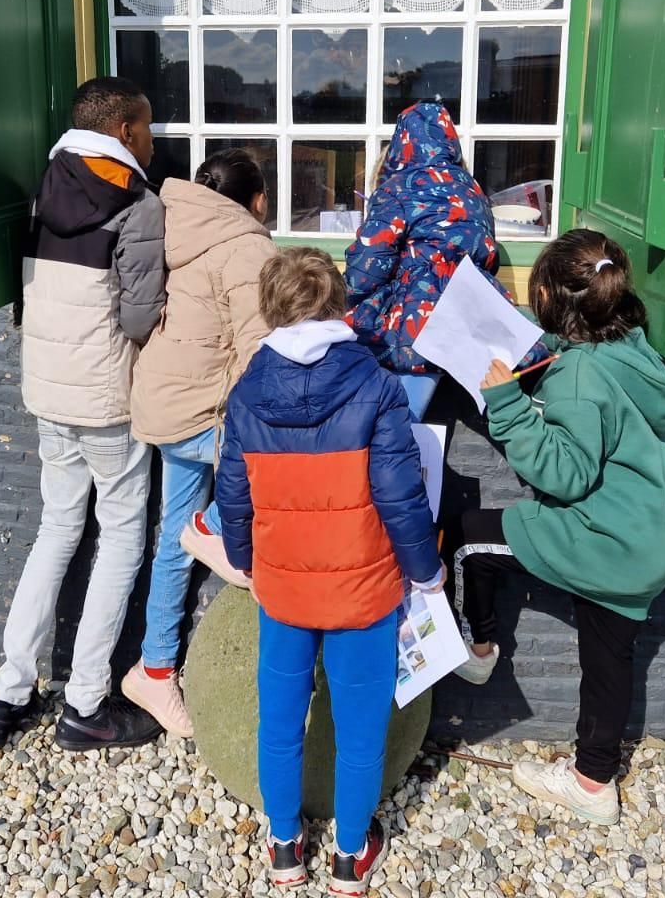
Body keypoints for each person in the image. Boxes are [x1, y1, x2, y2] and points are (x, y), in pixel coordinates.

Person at [213, 248, 443, 895]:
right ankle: (348, 855)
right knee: (360, 731)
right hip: (362, 593)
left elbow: (234, 493)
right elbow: (402, 497)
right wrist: (426, 572)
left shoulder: (249, 391)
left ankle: (285, 844)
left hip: (284, 588)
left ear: (271, 308)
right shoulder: (375, 384)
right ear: (341, 303)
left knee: (281, 722)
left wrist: (245, 560)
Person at [448, 229, 665, 825]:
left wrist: (506, 403)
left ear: (553, 300)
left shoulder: (579, 376)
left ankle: (477, 652)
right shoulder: (629, 348)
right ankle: (592, 780)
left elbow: (566, 473)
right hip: (651, 535)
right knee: (608, 656)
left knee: (466, 538)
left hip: (605, 537)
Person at [0, 77, 167, 753]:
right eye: (146, 127)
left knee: (56, 527)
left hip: (47, 389)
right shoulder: (138, 204)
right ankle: (86, 703)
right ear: (123, 132)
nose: (153, 138)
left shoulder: (44, 182)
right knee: (120, 537)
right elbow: (141, 315)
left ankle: (9, 693)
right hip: (105, 400)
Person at [122, 148, 277, 738]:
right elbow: (258, 352)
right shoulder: (248, 245)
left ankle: (155, 669)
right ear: (257, 200)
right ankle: (216, 526)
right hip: (201, 413)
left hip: (162, 399)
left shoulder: (177, 226)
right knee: (274, 479)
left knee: (172, 541)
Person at [345, 101, 502, 420]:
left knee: (400, 419)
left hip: (416, 318)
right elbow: (487, 255)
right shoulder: (473, 191)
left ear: (401, 146)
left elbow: (367, 268)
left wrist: (347, 297)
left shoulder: (398, 189)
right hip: (470, 315)